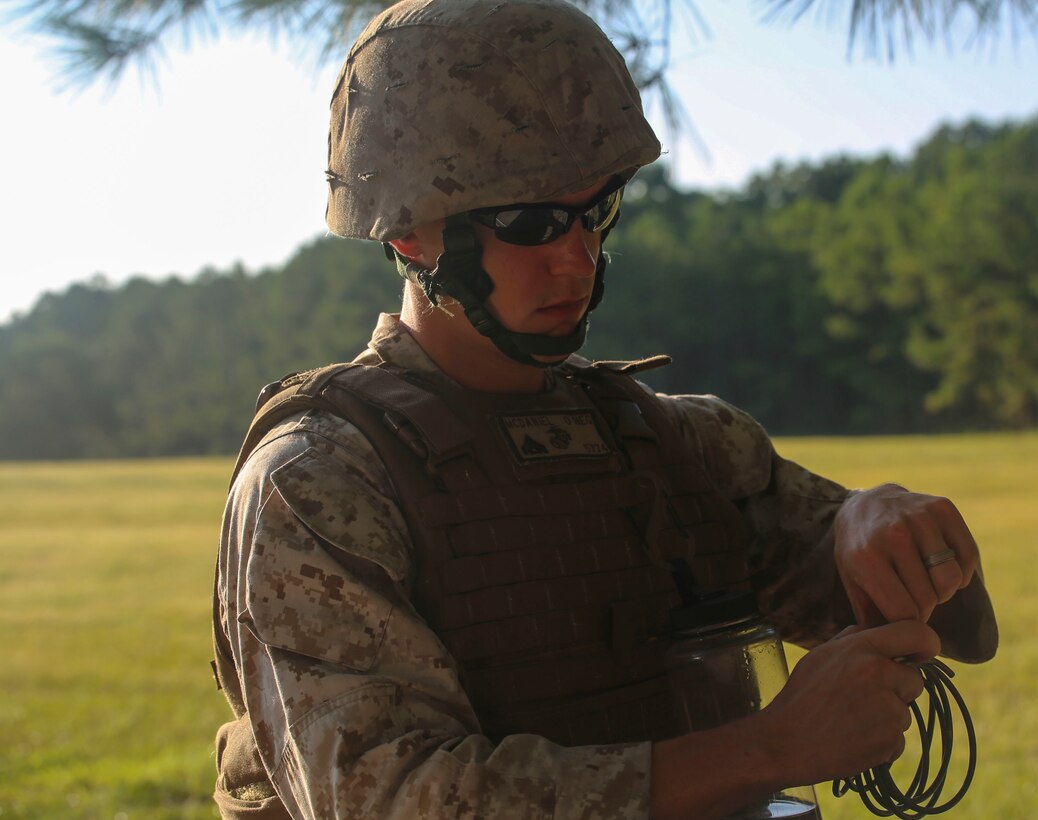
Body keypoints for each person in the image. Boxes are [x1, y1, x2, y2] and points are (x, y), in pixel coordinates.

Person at [210, 0, 998, 817]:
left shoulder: (683, 445)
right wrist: (770, 747)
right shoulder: (317, 482)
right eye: (530, 222)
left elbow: (942, 625)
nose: (576, 259)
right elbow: (394, 800)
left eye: (594, 212)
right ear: (410, 234)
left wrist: (878, 526)